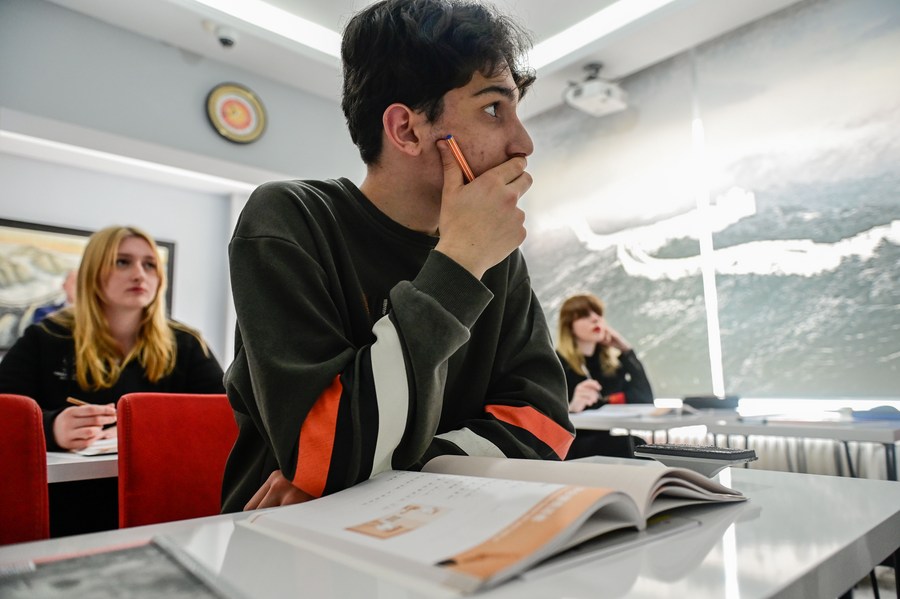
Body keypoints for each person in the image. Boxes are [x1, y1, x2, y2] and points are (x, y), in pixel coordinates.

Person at [222, 0, 574, 513]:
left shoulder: (496, 255)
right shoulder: (289, 218)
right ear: (406, 130)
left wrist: (398, 473)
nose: (523, 143)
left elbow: (544, 425)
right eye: (493, 109)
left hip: (443, 527)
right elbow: (327, 453)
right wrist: (458, 264)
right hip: (290, 539)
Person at [0, 225, 225, 536]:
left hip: (165, 509)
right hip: (67, 509)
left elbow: (223, 415)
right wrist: (51, 428)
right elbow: (7, 415)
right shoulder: (46, 337)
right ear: (93, 272)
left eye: (150, 265)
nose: (139, 274)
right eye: (122, 262)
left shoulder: (186, 343)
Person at [555, 293, 654, 459]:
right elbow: (545, 417)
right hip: (567, 446)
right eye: (584, 315)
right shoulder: (557, 364)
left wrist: (626, 350)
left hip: (601, 443)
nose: (595, 319)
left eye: (598, 314)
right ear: (569, 325)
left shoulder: (610, 366)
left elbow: (644, 399)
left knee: (637, 446)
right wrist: (571, 407)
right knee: (634, 445)